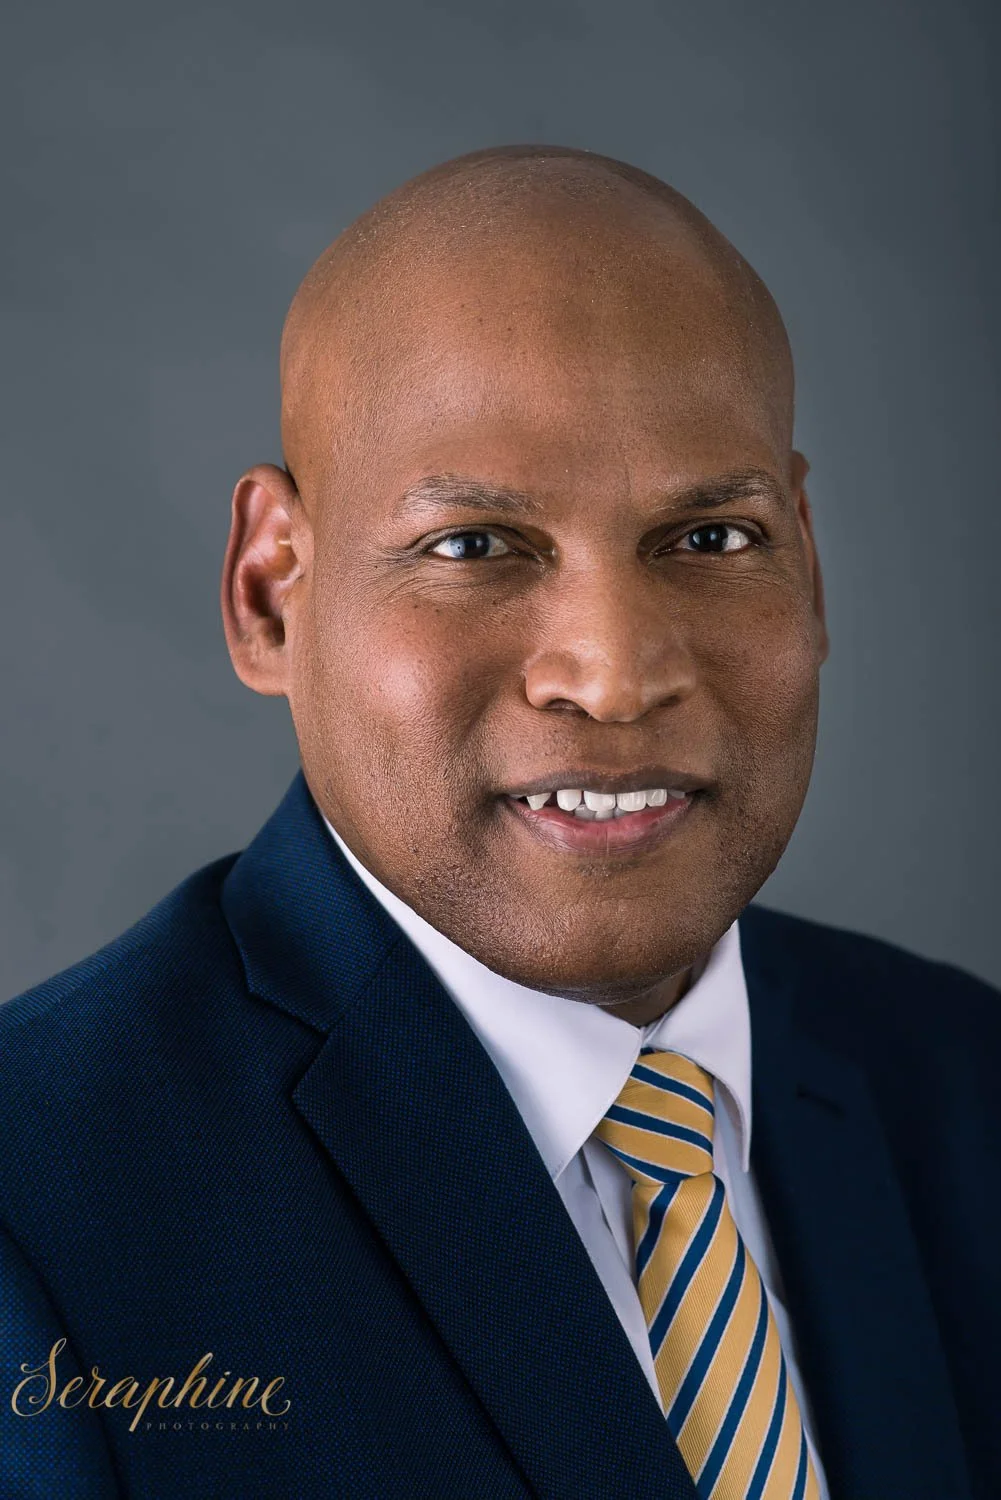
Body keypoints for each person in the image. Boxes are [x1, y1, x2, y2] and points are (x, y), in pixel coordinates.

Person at [1, 145, 997, 1500]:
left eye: (710, 538)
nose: (616, 671)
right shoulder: (39, 1212)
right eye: (476, 547)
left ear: (809, 569)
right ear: (270, 596)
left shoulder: (967, 1085)